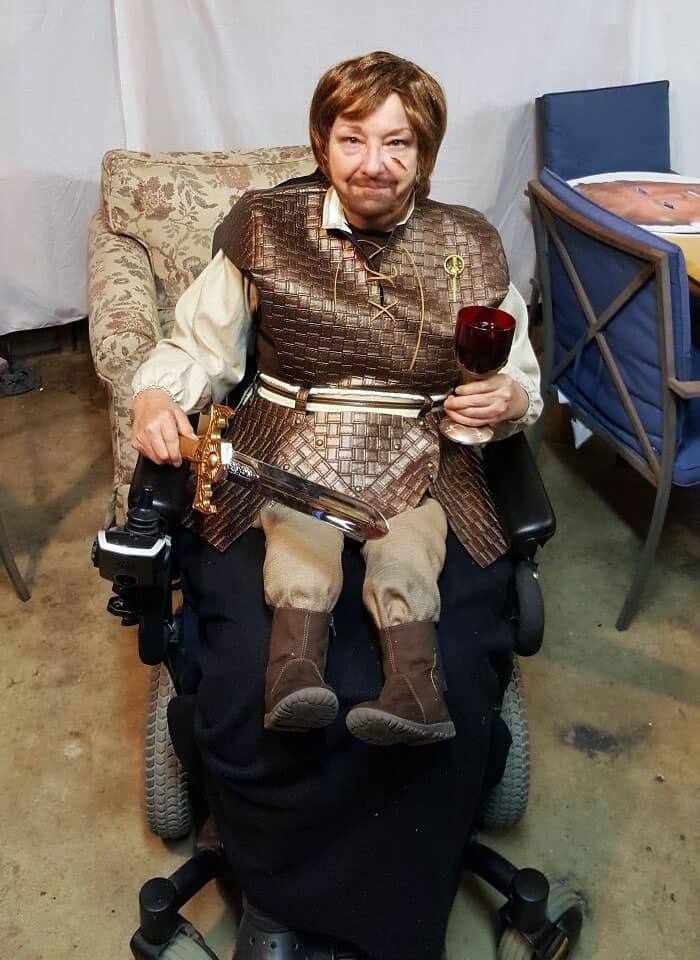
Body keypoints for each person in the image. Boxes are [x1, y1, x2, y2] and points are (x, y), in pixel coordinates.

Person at [131, 51, 541, 960]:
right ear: (323, 143)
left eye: (398, 143)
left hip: (428, 464)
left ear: (425, 153)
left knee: (454, 666)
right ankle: (275, 902)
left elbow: (519, 375)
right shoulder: (265, 228)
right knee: (250, 669)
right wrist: (158, 394)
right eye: (353, 139)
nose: (373, 164)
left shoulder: (471, 241)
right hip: (282, 460)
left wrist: (510, 396)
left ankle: (406, 909)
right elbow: (198, 349)